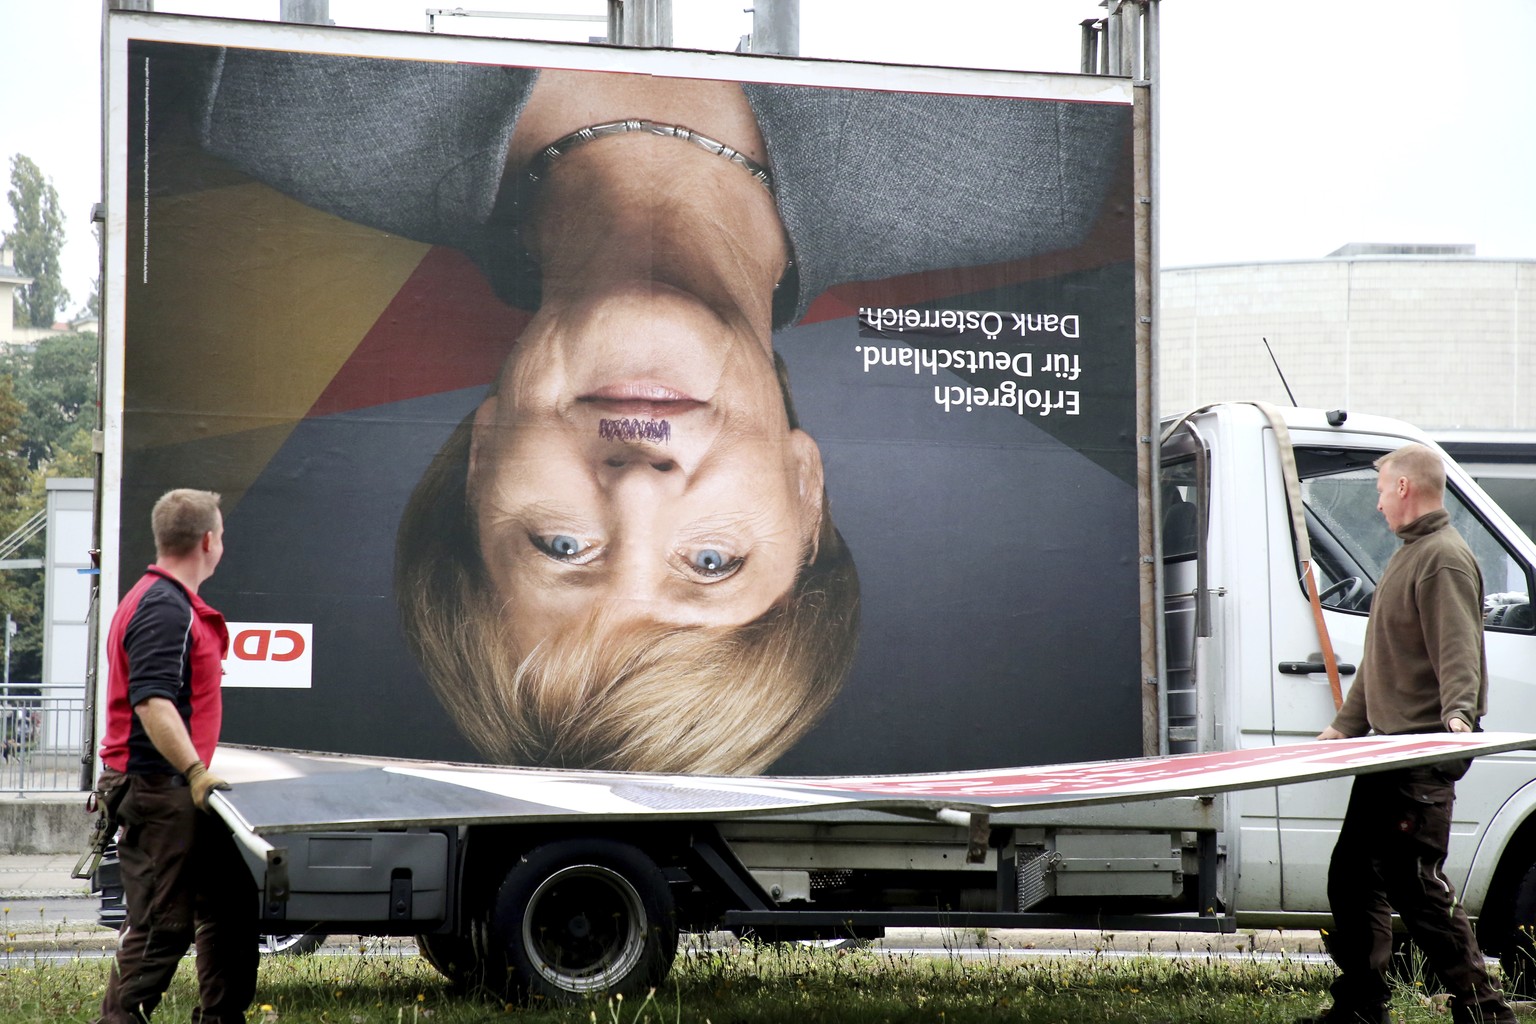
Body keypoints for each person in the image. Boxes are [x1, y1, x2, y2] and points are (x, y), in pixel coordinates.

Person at [143, 45, 1127, 772]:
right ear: (803, 486)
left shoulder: (270, 101)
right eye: (711, 563)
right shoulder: (1026, 169)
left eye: (560, 547)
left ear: (481, 454)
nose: (640, 483)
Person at [1308, 445, 1515, 1024]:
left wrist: (1457, 721)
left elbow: (1458, 652)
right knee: (1351, 877)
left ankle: (1485, 1010)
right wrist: (1342, 729)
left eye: (1380, 491)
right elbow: (1382, 663)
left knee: (1415, 885)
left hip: (1421, 752)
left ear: (1405, 488)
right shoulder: (1409, 555)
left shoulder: (1442, 559)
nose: (1376, 504)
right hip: (1386, 753)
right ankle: (1362, 1007)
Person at [96, 489, 258, 1024]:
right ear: (209, 541)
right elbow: (152, 701)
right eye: (224, 534)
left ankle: (220, 1016)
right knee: (164, 924)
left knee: (232, 905)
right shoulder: (165, 609)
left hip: (177, 788)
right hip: (159, 788)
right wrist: (193, 771)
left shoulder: (166, 601)